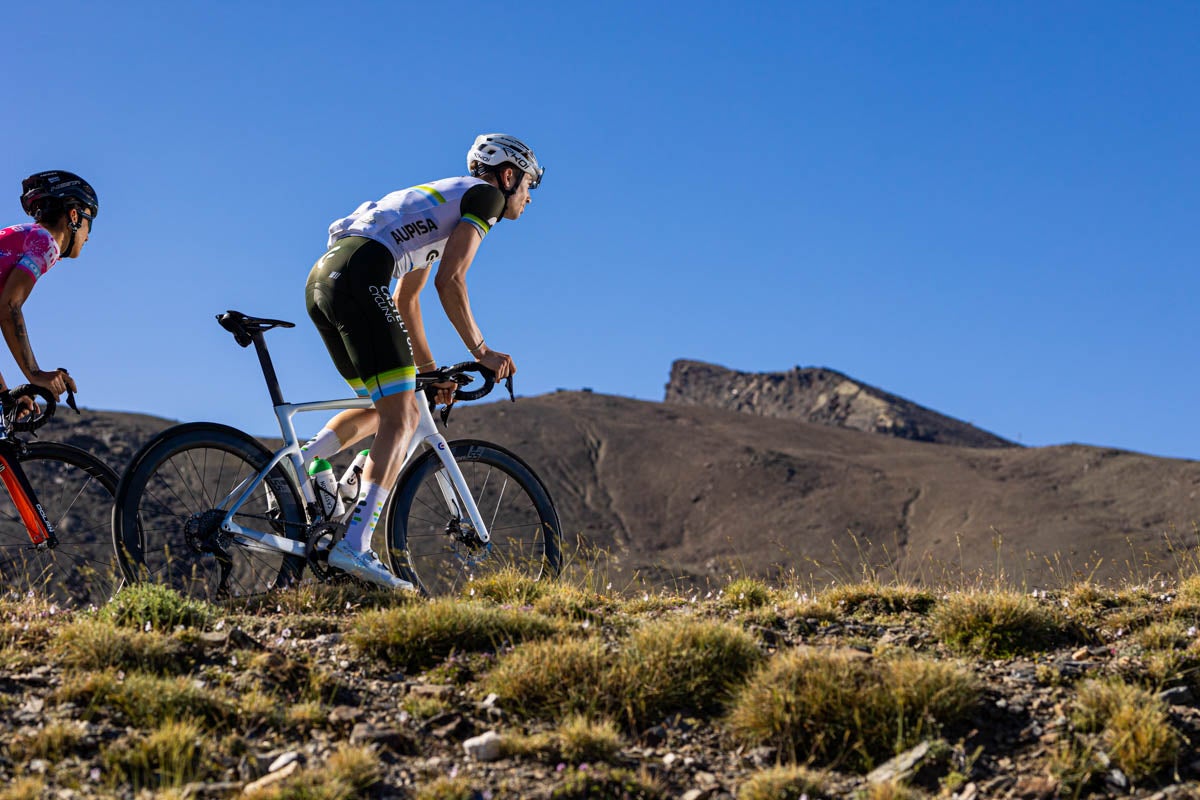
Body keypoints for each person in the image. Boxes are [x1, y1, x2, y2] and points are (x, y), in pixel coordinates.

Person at [303, 133, 543, 589]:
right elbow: (450, 281)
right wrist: (483, 352)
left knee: (388, 405)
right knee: (404, 416)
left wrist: (429, 374)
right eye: (529, 184)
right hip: (359, 277)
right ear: (508, 176)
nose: (529, 198)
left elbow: (407, 298)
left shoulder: (440, 205)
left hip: (326, 280)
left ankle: (309, 463)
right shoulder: (486, 197)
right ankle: (356, 546)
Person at [0, 171, 96, 408]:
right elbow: (9, 307)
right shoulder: (45, 242)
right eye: (89, 224)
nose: (88, 238)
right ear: (74, 216)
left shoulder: (24, 236)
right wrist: (35, 374)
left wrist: (4, 395)